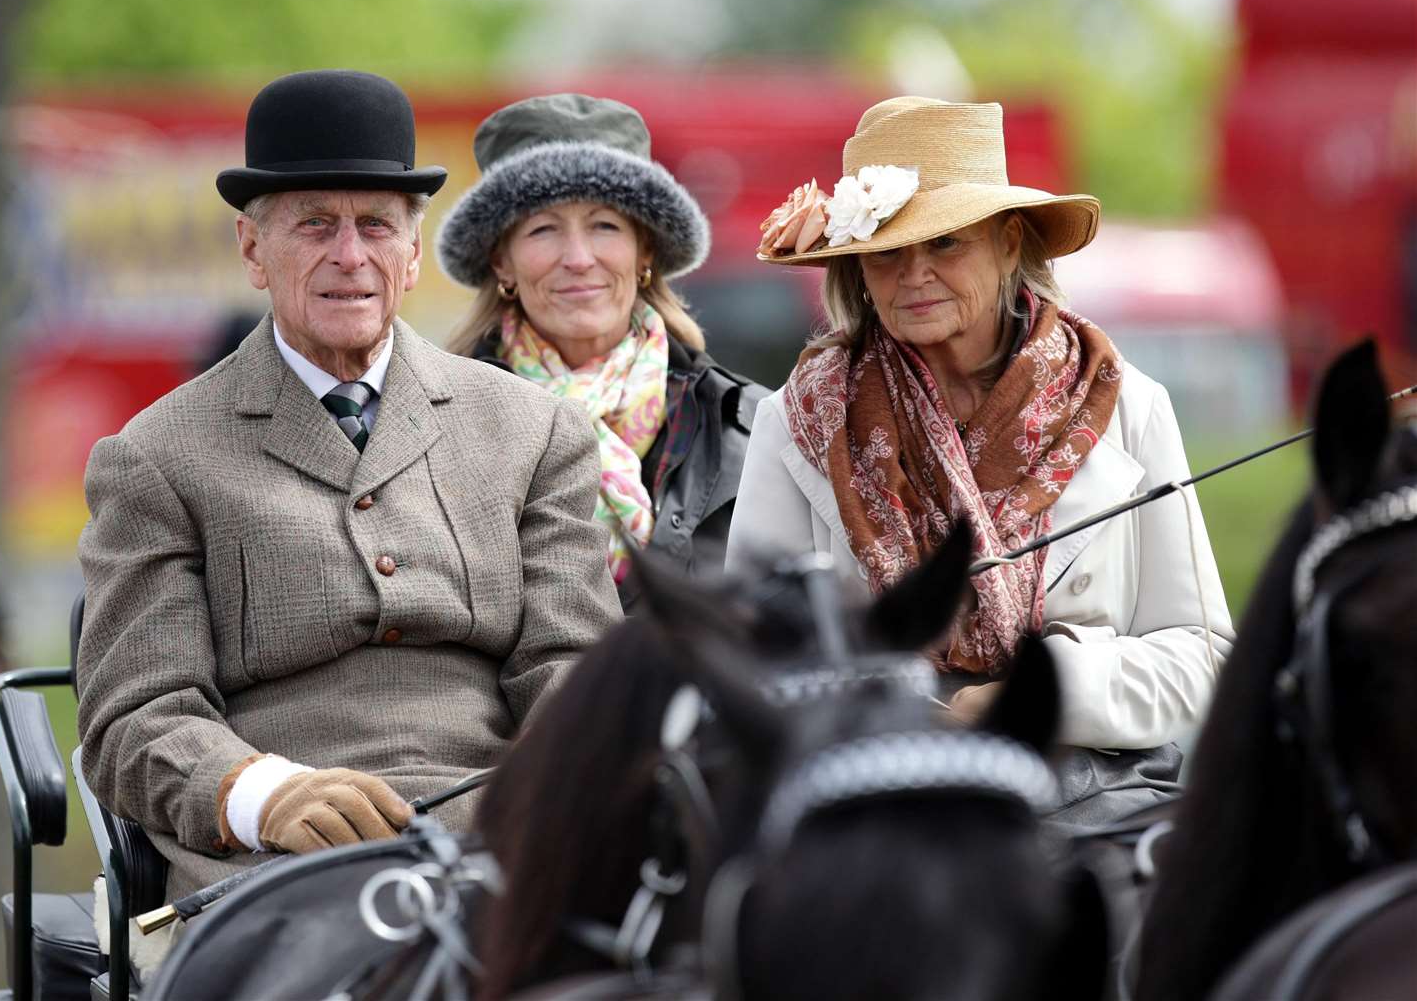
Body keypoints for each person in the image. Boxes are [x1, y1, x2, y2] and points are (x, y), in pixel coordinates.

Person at [75, 70, 621, 899]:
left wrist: (553, 806)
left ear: (411, 254)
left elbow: (571, 668)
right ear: (253, 249)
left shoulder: (533, 431)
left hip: (501, 838)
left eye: (374, 225)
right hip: (273, 868)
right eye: (314, 225)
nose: (349, 256)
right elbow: (136, 717)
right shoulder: (156, 457)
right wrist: (260, 795)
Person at [728, 96, 1234, 826]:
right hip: (872, 791)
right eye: (887, 253)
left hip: (1095, 792)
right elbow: (759, 653)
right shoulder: (800, 419)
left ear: (1008, 243)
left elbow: (1200, 652)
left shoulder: (1126, 405)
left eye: (944, 244)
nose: (913, 276)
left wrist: (1034, 692)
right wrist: (902, 714)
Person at [436, 94, 765, 601]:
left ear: (645, 250)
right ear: (501, 261)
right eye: (543, 229)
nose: (578, 258)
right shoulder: (436, 433)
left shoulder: (751, 428)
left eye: (604, 226)